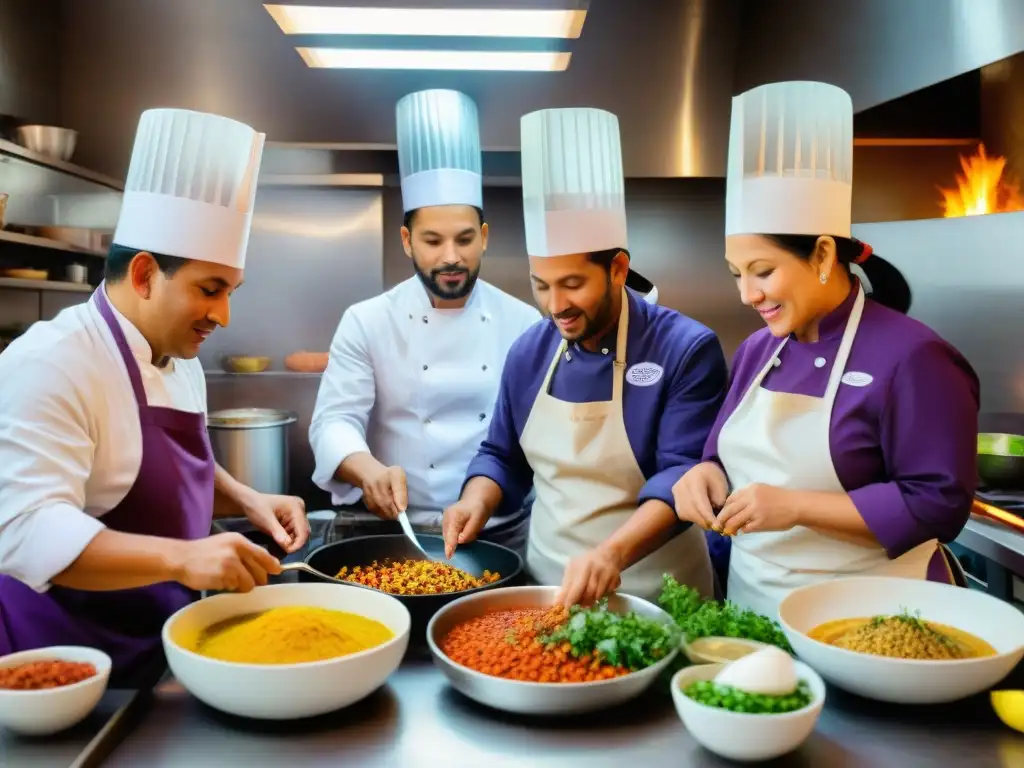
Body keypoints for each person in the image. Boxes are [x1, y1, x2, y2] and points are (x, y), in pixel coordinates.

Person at [0, 108, 310, 686]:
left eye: (231, 291)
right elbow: (25, 530)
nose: (223, 314)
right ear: (144, 274)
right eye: (209, 290)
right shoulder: (51, 362)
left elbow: (147, 467)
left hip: (160, 645)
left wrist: (246, 498)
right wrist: (182, 557)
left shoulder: (174, 347)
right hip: (64, 665)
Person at [672, 81, 978, 618]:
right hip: (754, 618)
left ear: (821, 254)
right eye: (737, 274)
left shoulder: (915, 357)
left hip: (873, 623)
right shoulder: (755, 351)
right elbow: (721, 454)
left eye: (763, 271)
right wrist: (705, 474)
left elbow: (939, 504)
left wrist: (793, 507)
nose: (748, 294)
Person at [443, 107, 727, 606]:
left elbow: (681, 473)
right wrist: (475, 500)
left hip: (658, 594)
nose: (556, 307)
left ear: (617, 269)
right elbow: (502, 456)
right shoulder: (530, 351)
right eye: (541, 286)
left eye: (573, 284)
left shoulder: (685, 349)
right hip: (548, 593)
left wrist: (610, 556)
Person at [310, 89, 540, 553]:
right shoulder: (367, 320)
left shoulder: (524, 321)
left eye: (465, 239)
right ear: (406, 241)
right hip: (395, 529)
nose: (451, 257)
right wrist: (365, 469)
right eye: (432, 241)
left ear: (485, 238)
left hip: (502, 530)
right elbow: (334, 421)